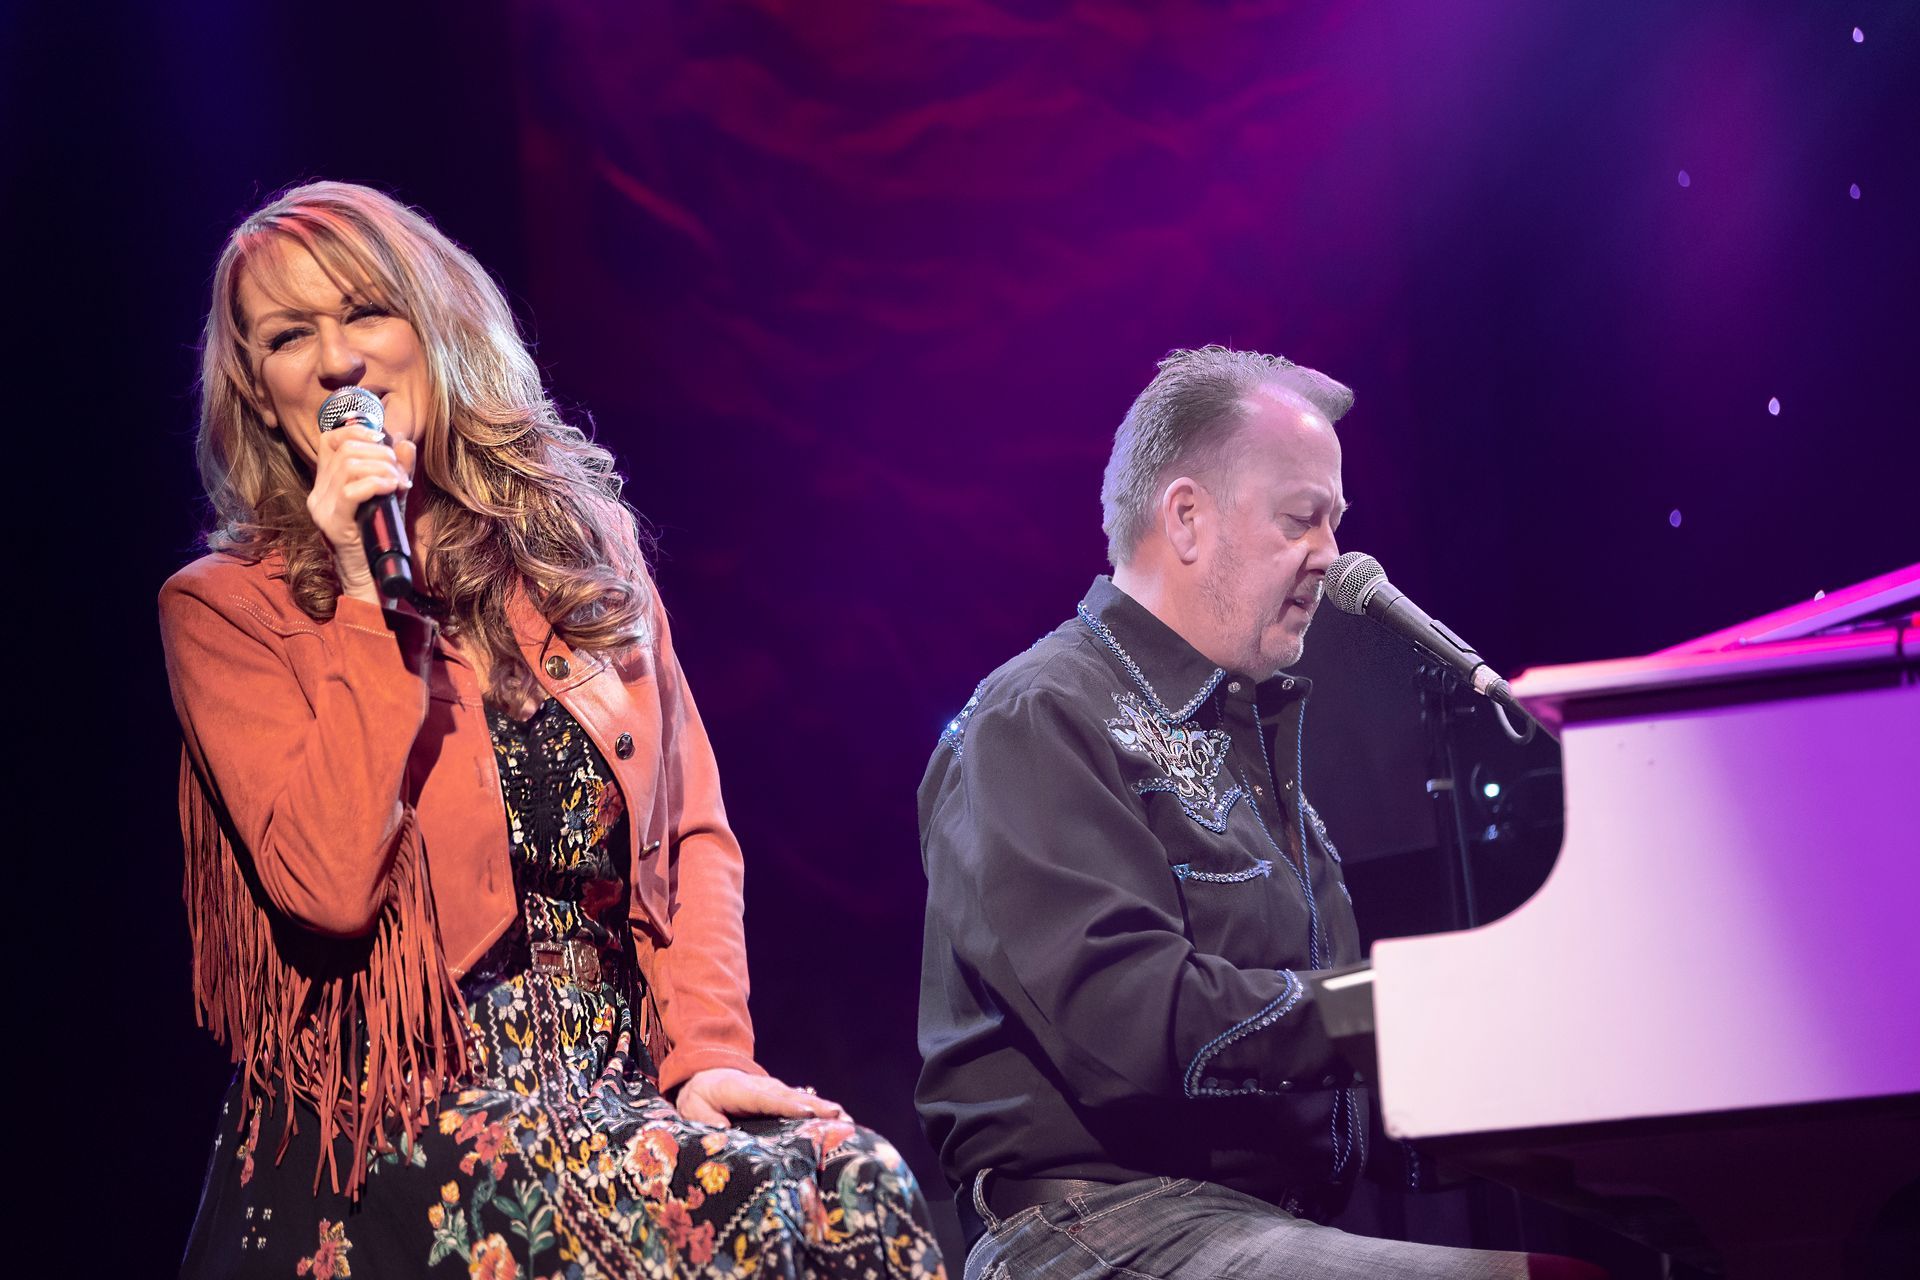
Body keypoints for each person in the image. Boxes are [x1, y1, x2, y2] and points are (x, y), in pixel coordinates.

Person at [161, 180, 945, 1280]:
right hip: (406, 1107)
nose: (339, 359)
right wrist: (355, 592)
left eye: (367, 311)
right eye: (292, 336)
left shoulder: (579, 552)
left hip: (613, 1081)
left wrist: (708, 1052)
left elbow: (694, 835)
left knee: (854, 1184)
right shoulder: (230, 609)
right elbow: (328, 886)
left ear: (434, 326)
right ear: (262, 390)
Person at [915, 347, 1605, 1279]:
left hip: (1251, 1224)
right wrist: (1394, 1007)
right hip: (1097, 1233)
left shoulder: (1257, 753)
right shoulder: (1037, 715)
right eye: (1301, 519)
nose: (1334, 555)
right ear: (1188, 517)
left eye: (1335, 521)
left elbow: (1324, 1067)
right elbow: (1130, 1017)